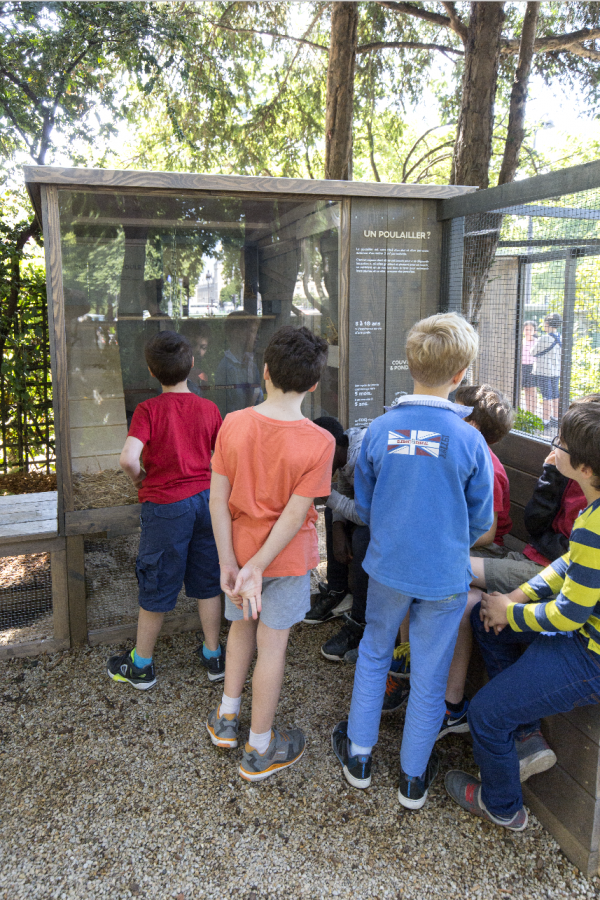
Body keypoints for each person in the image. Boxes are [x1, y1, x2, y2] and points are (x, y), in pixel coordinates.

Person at [331, 312, 494, 809]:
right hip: (445, 576)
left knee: (376, 651)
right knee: (430, 669)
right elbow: (481, 521)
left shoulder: (380, 430)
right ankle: (412, 779)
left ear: (410, 364)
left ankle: (358, 757)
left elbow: (367, 502)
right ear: (461, 374)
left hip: (387, 568)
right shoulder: (471, 440)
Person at [446, 398, 600, 832]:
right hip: (579, 634)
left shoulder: (594, 523)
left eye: (561, 445)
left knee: (486, 714)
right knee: (486, 623)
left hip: (589, 654)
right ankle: (526, 734)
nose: (554, 452)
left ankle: (501, 804)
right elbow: (567, 565)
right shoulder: (592, 511)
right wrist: (513, 597)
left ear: (585, 469)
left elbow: (570, 614)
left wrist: (512, 615)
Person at [206, 326, 335, 781]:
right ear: (314, 384)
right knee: (273, 645)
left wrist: (231, 562)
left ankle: (226, 719)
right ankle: (260, 747)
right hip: (283, 561)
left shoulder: (233, 423)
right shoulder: (320, 442)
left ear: (265, 372)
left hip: (239, 555)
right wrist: (259, 567)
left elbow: (217, 499)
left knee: (240, 628)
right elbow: (296, 513)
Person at [385, 384, 515, 726]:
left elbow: (486, 532)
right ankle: (407, 656)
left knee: (425, 573)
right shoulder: (451, 447)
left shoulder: (490, 466)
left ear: (469, 423)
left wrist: (439, 534)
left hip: (480, 549)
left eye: (452, 410)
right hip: (451, 544)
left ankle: (446, 700)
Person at [107, 331, 224, 690]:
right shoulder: (209, 409)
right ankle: (214, 655)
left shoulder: (148, 410)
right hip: (206, 502)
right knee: (207, 580)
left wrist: (140, 480)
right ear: (191, 365)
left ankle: (141, 665)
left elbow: (128, 458)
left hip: (166, 507)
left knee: (157, 579)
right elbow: (221, 458)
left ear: (151, 372)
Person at [303, 417, 370, 664]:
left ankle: (361, 622)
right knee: (334, 513)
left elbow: (366, 516)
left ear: (329, 448)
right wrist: (339, 527)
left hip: (391, 521)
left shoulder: (363, 455)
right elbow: (345, 491)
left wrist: (325, 494)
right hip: (371, 512)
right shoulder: (345, 453)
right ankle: (338, 590)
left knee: (363, 537)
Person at [214, 311, 264, 417]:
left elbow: (260, 399)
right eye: (252, 331)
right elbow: (227, 409)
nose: (257, 337)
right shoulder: (226, 368)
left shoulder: (252, 365)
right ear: (236, 333)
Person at [532, 313, 562, 427]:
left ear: (548, 323)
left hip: (544, 372)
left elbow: (533, 352)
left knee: (546, 396)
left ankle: (545, 421)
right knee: (555, 395)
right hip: (556, 372)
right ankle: (555, 418)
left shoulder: (544, 338)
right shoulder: (560, 337)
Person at [520, 320, 538, 414]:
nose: (528, 331)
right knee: (526, 389)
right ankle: (528, 411)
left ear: (534, 331)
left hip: (533, 367)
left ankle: (533, 411)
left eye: (530, 329)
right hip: (523, 366)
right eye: (526, 329)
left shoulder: (536, 342)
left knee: (532, 389)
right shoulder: (521, 341)